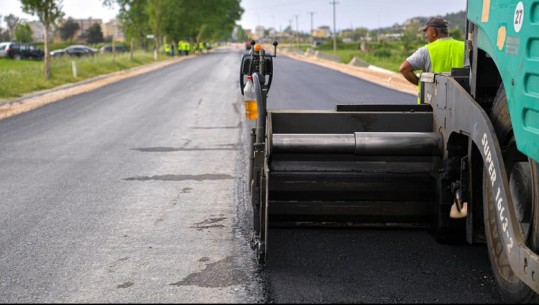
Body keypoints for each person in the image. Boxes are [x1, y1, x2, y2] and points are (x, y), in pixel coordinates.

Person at [399, 17, 465, 103]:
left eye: (426, 31)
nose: (426, 35)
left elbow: (404, 69)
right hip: (460, 103)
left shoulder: (426, 50)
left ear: (434, 32)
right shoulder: (464, 47)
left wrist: (422, 84)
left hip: (433, 104)